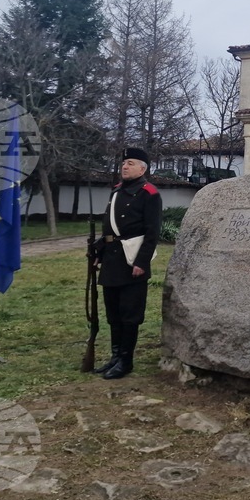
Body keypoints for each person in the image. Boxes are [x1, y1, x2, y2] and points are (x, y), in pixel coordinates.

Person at [94, 146, 162, 380]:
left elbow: (152, 232)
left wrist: (141, 262)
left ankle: (126, 360)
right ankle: (114, 357)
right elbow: (109, 228)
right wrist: (98, 254)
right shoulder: (116, 191)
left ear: (143, 168)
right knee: (113, 313)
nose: (125, 166)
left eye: (130, 163)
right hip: (112, 259)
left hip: (132, 260)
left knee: (129, 314)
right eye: (124, 163)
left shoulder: (149, 193)